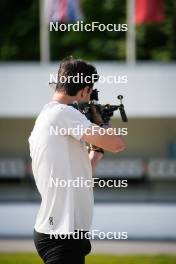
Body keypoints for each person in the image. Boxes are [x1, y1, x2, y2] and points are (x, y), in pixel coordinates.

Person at [28, 57, 126, 264]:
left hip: (64, 232)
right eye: (90, 93)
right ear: (83, 90)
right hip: (61, 233)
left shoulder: (50, 115)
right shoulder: (62, 113)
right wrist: (98, 119)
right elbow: (118, 144)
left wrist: (96, 152)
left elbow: (78, 175)